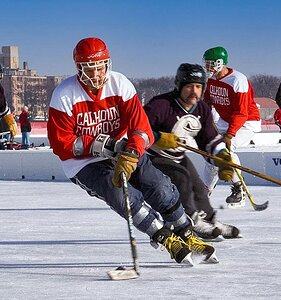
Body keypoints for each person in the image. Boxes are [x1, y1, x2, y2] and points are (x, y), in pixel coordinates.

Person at [47, 37, 219, 265]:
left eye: (100, 67)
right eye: (90, 69)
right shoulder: (64, 94)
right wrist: (102, 145)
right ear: (79, 68)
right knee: (120, 194)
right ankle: (164, 237)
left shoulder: (119, 84)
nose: (97, 75)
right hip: (83, 162)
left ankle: (186, 232)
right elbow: (60, 143)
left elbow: (141, 127)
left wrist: (131, 152)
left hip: (123, 149)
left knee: (158, 185)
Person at [143, 63, 239, 240]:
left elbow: (208, 138)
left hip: (178, 155)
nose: (194, 91)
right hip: (154, 157)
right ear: (179, 86)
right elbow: (137, 128)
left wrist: (222, 157)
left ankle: (210, 220)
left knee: (199, 186)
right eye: (189, 86)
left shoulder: (202, 109)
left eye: (198, 86)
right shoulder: (161, 105)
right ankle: (191, 221)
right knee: (183, 180)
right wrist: (157, 137)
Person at [202, 46, 261, 208]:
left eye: (210, 64)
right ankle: (204, 190)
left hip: (247, 122)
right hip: (227, 121)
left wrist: (230, 134)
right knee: (211, 151)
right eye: (206, 64)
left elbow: (241, 113)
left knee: (224, 149)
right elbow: (207, 101)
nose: (207, 67)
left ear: (220, 63)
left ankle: (238, 189)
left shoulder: (237, 80)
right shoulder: (212, 79)